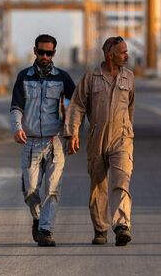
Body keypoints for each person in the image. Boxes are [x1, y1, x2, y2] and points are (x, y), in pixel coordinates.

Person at [64, 36, 135, 246]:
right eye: (123, 52)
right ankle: (100, 228)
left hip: (122, 138)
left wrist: (128, 130)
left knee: (122, 179)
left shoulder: (129, 77)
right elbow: (77, 105)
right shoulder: (91, 77)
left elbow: (130, 107)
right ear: (110, 55)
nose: (127, 55)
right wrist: (73, 133)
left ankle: (122, 226)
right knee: (98, 185)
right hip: (97, 137)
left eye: (126, 51)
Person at [10, 34, 76, 247]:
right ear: (35, 51)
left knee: (52, 188)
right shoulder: (24, 77)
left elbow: (76, 108)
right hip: (30, 142)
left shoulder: (63, 79)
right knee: (30, 189)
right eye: (41, 52)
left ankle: (46, 230)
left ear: (54, 54)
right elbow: (16, 107)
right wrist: (17, 128)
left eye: (49, 53)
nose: (45, 56)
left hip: (54, 141)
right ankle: (37, 218)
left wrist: (73, 133)